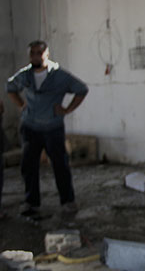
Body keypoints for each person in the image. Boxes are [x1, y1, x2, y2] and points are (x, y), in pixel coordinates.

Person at [6, 40, 88, 217]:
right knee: (29, 166)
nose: (35, 56)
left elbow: (82, 89)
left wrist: (67, 109)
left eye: (39, 53)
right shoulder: (25, 75)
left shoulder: (59, 76)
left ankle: (68, 201)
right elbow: (10, 87)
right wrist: (21, 105)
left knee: (60, 165)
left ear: (47, 54)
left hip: (53, 128)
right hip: (30, 127)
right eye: (32, 53)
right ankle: (31, 202)